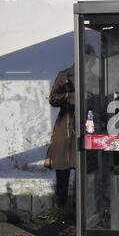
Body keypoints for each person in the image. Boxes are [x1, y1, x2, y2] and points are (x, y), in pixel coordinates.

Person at [44, 64, 76, 208]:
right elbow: (53, 98)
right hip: (66, 126)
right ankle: (62, 207)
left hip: (87, 124)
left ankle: (80, 208)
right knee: (63, 169)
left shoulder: (94, 75)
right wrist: (71, 97)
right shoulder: (64, 74)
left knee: (85, 169)